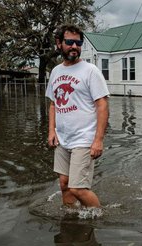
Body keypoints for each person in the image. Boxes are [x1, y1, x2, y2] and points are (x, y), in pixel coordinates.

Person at [46, 24, 109, 208]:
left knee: (78, 189)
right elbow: (52, 104)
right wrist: (52, 131)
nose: (74, 46)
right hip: (63, 139)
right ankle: (71, 220)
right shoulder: (56, 72)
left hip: (84, 139)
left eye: (78, 42)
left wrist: (98, 140)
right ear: (59, 43)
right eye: (69, 42)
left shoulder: (90, 71)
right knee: (64, 185)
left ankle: (98, 217)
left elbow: (102, 105)